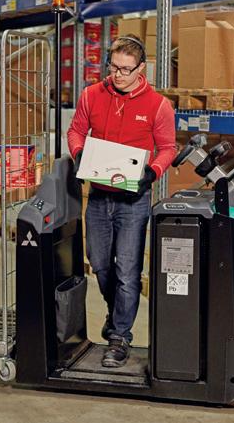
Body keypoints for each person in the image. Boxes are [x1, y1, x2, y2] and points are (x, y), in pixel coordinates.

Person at [67, 35, 176, 368]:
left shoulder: (157, 105)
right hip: (99, 197)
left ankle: (119, 337)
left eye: (126, 69)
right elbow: (75, 130)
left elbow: (168, 148)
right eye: (114, 67)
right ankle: (116, 314)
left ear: (141, 68)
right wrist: (79, 153)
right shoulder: (91, 95)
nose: (118, 75)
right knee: (99, 263)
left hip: (134, 201)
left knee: (128, 272)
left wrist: (152, 172)